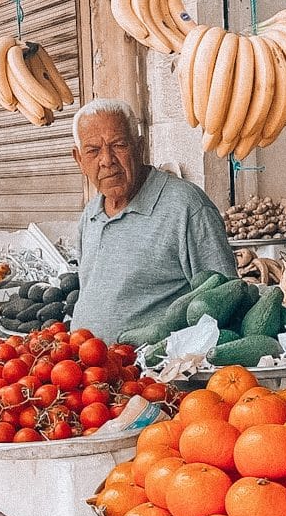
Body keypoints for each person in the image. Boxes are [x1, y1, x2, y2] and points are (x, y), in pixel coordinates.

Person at [69, 98, 237, 342]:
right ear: (79, 160)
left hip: (156, 375)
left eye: (118, 145)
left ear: (140, 147)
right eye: (93, 151)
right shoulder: (91, 213)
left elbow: (227, 297)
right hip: (88, 372)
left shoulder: (186, 207)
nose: (106, 160)